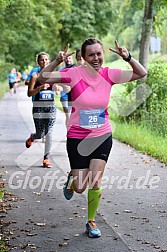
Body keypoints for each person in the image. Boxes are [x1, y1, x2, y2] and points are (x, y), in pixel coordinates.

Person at [38, 39, 147, 237]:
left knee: (95, 181)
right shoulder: (73, 74)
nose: (96, 58)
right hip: (78, 137)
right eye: (91, 55)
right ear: (83, 57)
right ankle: (72, 181)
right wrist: (56, 61)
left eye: (99, 54)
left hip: (101, 135)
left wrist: (128, 57)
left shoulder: (109, 74)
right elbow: (41, 78)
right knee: (80, 187)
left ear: (103, 54)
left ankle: (91, 221)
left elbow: (142, 73)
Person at [25, 52, 59, 168]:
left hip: (51, 107)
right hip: (38, 106)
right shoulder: (35, 76)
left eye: (46, 60)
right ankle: (33, 137)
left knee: (49, 133)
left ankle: (46, 158)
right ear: (38, 62)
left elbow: (60, 86)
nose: (44, 62)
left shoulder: (53, 75)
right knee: (40, 134)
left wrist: (58, 88)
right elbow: (29, 93)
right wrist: (39, 88)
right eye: (41, 60)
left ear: (49, 61)